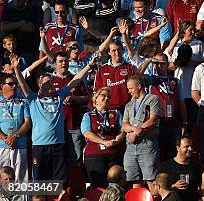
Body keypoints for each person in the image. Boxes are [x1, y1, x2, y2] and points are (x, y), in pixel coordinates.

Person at [13, 55, 93, 184]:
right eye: (46, 82)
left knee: (59, 181)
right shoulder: (33, 98)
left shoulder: (59, 96)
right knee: (40, 181)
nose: (50, 84)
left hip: (58, 145)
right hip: (39, 146)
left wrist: (89, 65)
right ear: (39, 85)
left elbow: (76, 80)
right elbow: (22, 84)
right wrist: (17, 69)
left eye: (50, 81)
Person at [81, 87, 125, 188]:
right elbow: (86, 132)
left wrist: (116, 140)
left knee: (116, 185)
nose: (106, 98)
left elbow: (122, 130)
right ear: (95, 98)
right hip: (95, 155)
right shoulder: (88, 115)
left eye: (108, 97)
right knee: (99, 186)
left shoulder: (116, 113)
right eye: (103, 95)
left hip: (114, 153)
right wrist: (103, 142)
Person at [0, 73, 31, 181]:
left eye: (16, 84)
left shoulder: (23, 102)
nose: (14, 86)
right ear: (2, 86)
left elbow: (27, 123)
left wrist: (15, 136)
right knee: (2, 178)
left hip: (20, 145)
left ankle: (20, 198)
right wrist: (5, 138)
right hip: (2, 146)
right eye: (11, 84)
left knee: (20, 179)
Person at [158, 135, 203, 201]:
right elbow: (156, 190)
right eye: (186, 146)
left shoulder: (197, 167)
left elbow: (202, 189)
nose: (190, 149)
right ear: (178, 148)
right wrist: (174, 186)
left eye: (191, 146)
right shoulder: (165, 167)